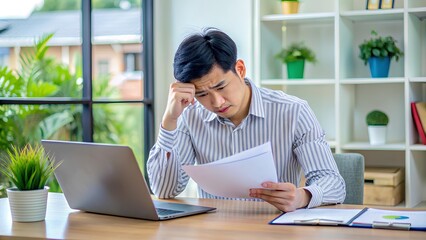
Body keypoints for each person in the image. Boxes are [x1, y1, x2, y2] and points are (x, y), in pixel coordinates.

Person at [147, 28, 345, 212]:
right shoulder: (189, 115)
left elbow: (333, 183)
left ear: (240, 69)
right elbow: (165, 190)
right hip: (214, 231)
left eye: (221, 87)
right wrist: (169, 120)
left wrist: (302, 197)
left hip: (274, 227)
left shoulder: (293, 111)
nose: (217, 102)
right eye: (202, 94)